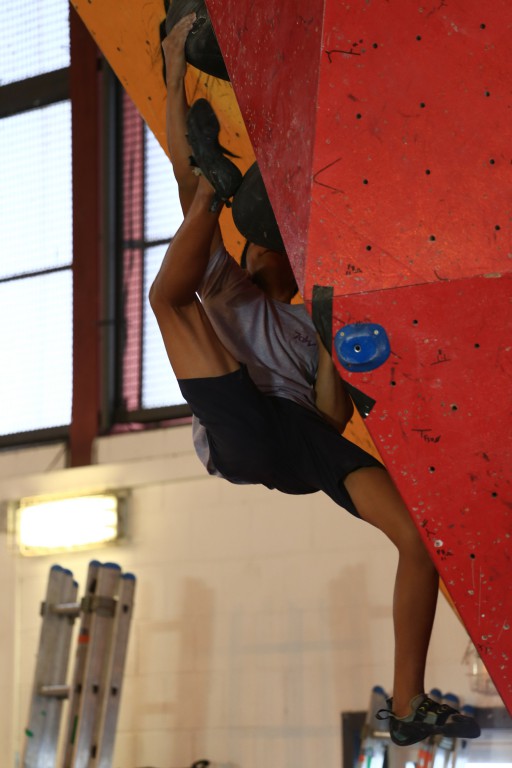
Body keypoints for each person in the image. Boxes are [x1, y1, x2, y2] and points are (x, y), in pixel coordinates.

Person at [150, 13, 481, 747]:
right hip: (247, 425)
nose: (272, 249)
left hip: (288, 440)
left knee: (415, 539)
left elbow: (330, 420)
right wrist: (174, 72)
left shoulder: (309, 326)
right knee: (172, 293)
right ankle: (212, 194)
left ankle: (405, 703)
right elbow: (177, 168)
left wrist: (334, 341)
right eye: (263, 241)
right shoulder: (228, 286)